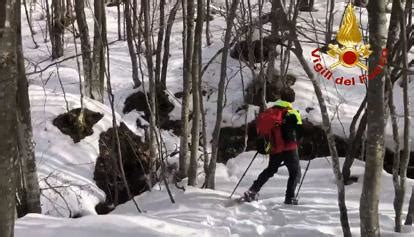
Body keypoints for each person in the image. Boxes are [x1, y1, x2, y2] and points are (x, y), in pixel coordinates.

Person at [244, 87, 303, 205]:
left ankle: (252, 190)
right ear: (292, 99)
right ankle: (290, 198)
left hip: (275, 147)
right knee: (295, 173)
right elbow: (299, 132)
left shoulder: (271, 111)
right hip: (290, 149)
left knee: (270, 170)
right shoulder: (293, 112)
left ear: (281, 98)